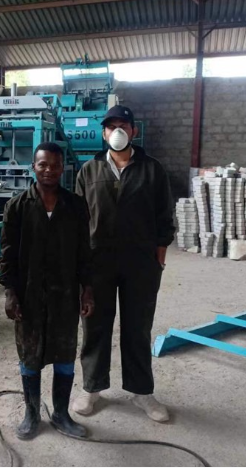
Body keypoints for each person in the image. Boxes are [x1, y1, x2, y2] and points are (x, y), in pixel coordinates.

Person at [71, 105, 175, 423]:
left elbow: (164, 213)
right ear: (103, 133)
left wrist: (160, 250)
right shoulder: (89, 171)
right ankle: (92, 387)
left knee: (137, 327)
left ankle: (142, 391)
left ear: (134, 131)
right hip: (98, 261)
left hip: (140, 262)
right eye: (111, 126)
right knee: (94, 325)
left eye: (124, 125)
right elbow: (77, 219)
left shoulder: (152, 169)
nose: (117, 131)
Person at [0, 142, 95, 440]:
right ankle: (32, 414)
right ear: (33, 167)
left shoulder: (75, 205)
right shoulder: (17, 207)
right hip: (28, 296)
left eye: (55, 165)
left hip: (65, 294)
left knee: (65, 353)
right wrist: (10, 293)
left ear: (63, 168)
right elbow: (7, 254)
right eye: (43, 164)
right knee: (30, 354)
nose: (49, 170)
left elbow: (85, 251)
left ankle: (61, 414)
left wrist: (87, 289)